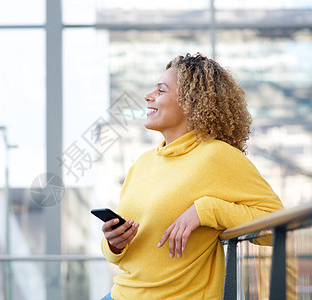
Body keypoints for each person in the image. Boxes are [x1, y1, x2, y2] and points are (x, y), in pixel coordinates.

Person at [100, 53, 284, 300]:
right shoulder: (142, 163)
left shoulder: (218, 156)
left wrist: (207, 211)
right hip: (120, 294)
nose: (148, 96)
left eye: (161, 91)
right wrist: (114, 243)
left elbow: (277, 226)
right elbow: (131, 253)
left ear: (191, 102)